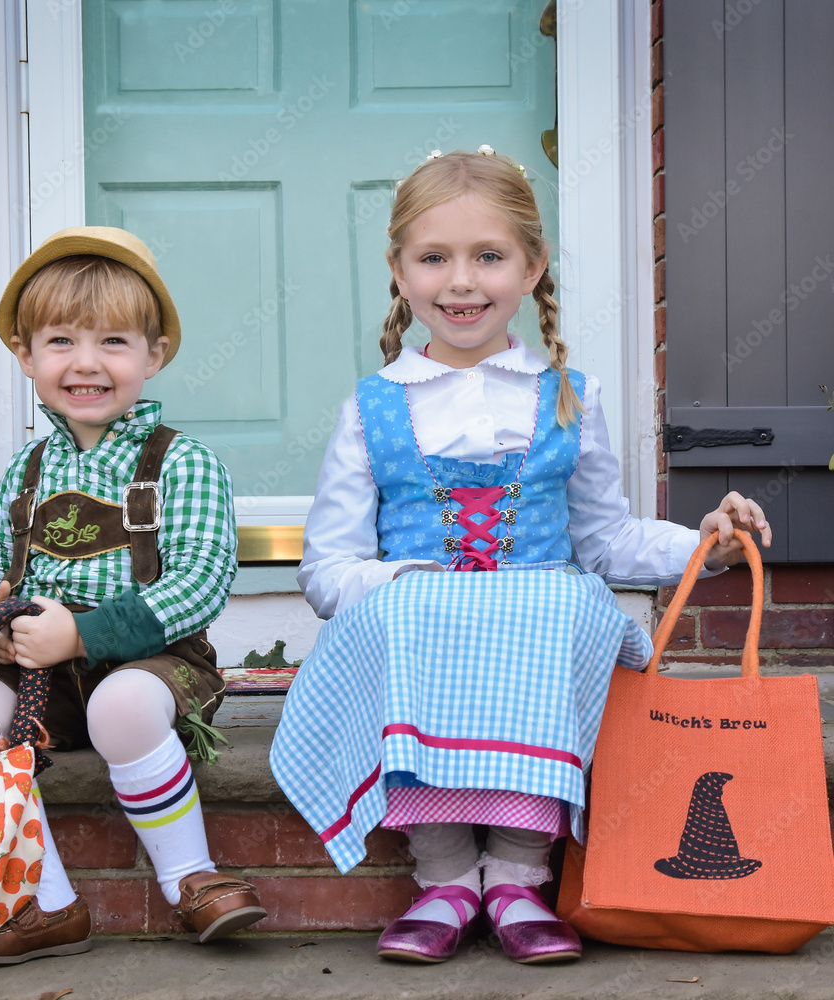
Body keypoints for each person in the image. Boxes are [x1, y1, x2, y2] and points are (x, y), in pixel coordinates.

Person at [269, 149, 771, 966]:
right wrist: (404, 583)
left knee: (556, 605)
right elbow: (327, 571)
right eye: (434, 258)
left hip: (532, 630)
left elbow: (605, 541)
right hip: (420, 625)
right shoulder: (372, 406)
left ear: (533, 267)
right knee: (414, 618)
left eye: (489, 256)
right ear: (399, 272)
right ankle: (443, 877)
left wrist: (707, 540)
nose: (461, 282)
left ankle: (516, 873)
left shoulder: (572, 396)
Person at [0, 226, 266, 964]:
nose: (85, 364)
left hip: (155, 667)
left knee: (123, 703)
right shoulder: (26, 471)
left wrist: (82, 636)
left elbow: (201, 583)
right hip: (43, 680)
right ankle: (43, 902)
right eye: (60, 343)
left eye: (113, 342)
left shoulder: (182, 463)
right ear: (26, 355)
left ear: (154, 354)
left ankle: (187, 877)